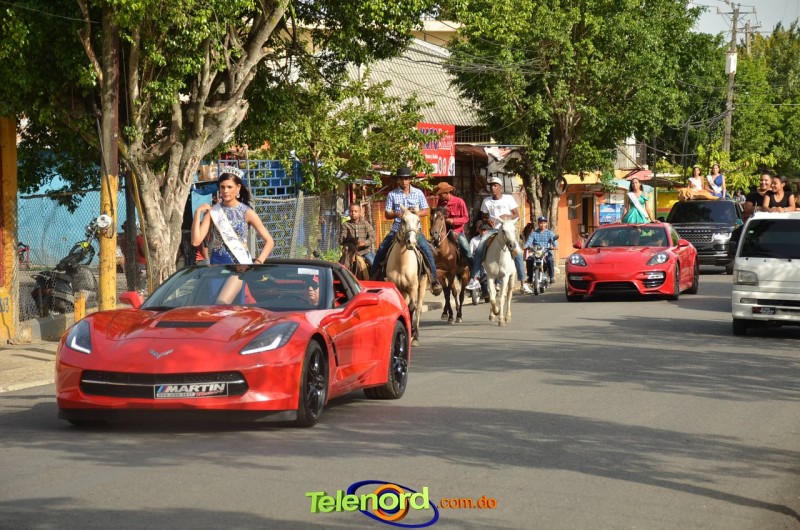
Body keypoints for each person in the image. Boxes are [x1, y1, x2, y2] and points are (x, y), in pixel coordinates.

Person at [370, 167, 443, 296]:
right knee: (381, 249)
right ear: (398, 180)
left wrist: (417, 213)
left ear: (410, 180)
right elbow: (387, 213)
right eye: (401, 179)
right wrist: (396, 214)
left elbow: (426, 210)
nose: (404, 181)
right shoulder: (392, 194)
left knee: (426, 250)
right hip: (397, 229)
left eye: (406, 179)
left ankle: (434, 281)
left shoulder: (418, 193)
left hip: (414, 230)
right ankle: (373, 279)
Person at [191, 167, 275, 265]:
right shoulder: (213, 211)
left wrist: (258, 262)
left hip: (241, 263)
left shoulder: (247, 212)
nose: (225, 191)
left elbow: (269, 241)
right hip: (218, 263)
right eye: (222, 187)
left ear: (238, 187)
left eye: (229, 187)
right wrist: (197, 213)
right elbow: (196, 242)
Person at [466, 175, 530, 294]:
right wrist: (487, 221)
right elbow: (483, 216)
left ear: (500, 187)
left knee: (518, 252)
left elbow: (516, 214)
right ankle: (475, 279)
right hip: (493, 230)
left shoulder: (508, 198)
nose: (492, 188)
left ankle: (523, 282)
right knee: (479, 249)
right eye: (491, 186)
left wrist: (507, 216)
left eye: (495, 186)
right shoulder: (486, 201)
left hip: (506, 229)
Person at [432, 181, 472, 265]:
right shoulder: (440, 203)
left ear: (447, 193)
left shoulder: (459, 201)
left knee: (467, 250)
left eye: (441, 194)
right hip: (443, 231)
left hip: (457, 231)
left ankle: (472, 269)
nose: (439, 196)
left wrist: (453, 221)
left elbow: (466, 218)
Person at [524, 216, 558, 284]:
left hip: (546, 252)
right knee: (529, 259)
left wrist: (555, 246)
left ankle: (552, 277)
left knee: (550, 259)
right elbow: (529, 241)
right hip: (536, 252)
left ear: (546, 224)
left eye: (544, 223)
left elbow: (555, 242)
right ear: (538, 224)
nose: (542, 225)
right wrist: (525, 246)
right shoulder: (534, 233)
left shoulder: (550, 233)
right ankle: (530, 277)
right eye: (540, 223)